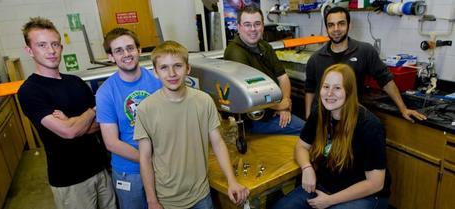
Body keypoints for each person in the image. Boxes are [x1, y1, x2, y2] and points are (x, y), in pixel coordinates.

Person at [134, 40, 249, 209]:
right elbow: (144, 158)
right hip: (167, 199)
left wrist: (232, 181)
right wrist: (152, 201)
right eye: (164, 67)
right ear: (155, 72)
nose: (172, 73)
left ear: (188, 68)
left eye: (178, 66)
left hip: (201, 195)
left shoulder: (204, 101)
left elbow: (217, 143)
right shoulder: (146, 109)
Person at [18, 17, 116, 209]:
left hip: (100, 170)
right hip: (70, 181)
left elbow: (102, 124)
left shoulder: (75, 82)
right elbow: (68, 132)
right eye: (42, 45)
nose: (51, 50)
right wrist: (92, 111)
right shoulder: (30, 91)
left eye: (55, 44)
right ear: (29, 50)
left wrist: (72, 123)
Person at [272, 64, 390, 209]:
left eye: (337, 88)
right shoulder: (320, 113)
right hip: (324, 186)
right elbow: (301, 146)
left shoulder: (370, 126)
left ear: (349, 91)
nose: (329, 93)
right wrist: (307, 168)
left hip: (364, 195)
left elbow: (375, 184)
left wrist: (330, 200)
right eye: (326, 87)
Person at [305, 6, 426, 122]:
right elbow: (310, 90)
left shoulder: (365, 51)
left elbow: (385, 80)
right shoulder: (316, 59)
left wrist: (403, 108)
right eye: (331, 25)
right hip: (323, 119)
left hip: (351, 119)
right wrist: (308, 118)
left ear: (349, 25)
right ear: (327, 29)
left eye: (341, 24)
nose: (336, 29)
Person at [95, 28, 162, 209]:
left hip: (163, 166)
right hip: (129, 173)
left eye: (130, 48)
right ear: (111, 57)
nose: (126, 54)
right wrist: (149, 160)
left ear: (139, 50)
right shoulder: (106, 92)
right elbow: (111, 143)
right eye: (118, 50)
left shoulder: (158, 81)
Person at [224, 6, 304, 135]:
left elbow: (282, 77)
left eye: (257, 24)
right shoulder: (235, 52)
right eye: (247, 25)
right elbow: (251, 95)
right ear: (239, 27)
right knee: (306, 130)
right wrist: (280, 106)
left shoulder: (265, 46)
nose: (253, 29)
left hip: (275, 109)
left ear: (262, 25)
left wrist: (286, 102)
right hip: (256, 119)